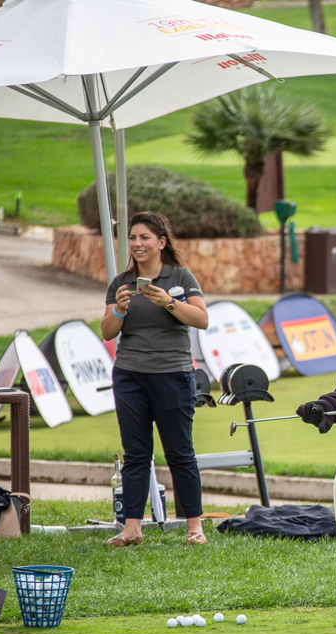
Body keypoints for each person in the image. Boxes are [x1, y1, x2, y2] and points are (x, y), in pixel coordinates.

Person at [100, 212, 210, 546]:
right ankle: (132, 529)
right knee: (135, 454)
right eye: (133, 238)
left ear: (161, 243)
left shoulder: (180, 276)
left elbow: (201, 319)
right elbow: (107, 331)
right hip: (130, 376)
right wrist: (119, 310)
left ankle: (194, 528)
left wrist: (169, 302)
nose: (137, 243)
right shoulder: (121, 282)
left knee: (180, 452)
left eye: (144, 237)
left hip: (173, 375)